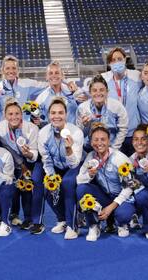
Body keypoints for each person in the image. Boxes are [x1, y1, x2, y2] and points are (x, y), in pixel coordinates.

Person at [76, 124, 136, 242]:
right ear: (91, 142)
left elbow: (130, 187)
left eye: (103, 139)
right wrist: (90, 175)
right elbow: (78, 180)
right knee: (82, 189)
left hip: (123, 198)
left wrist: (110, 207)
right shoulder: (91, 157)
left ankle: (122, 223)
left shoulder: (119, 158)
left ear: (109, 141)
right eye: (96, 140)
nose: (99, 143)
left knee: (122, 215)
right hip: (105, 196)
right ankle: (93, 225)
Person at [38, 97, 84, 239]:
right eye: (53, 113)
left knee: (68, 183)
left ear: (66, 115)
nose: (56, 116)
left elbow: (74, 164)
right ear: (48, 114)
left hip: (74, 165)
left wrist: (69, 149)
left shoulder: (76, 132)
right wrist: (51, 177)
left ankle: (72, 225)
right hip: (55, 166)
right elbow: (46, 159)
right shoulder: (43, 133)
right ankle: (62, 219)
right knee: (48, 185)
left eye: (60, 113)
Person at [0, 98, 41, 230]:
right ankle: (13, 215)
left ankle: (29, 219)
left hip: (32, 159)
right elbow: (7, 148)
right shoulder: (1, 128)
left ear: (22, 115)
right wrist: (21, 164)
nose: (14, 117)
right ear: (5, 115)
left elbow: (35, 153)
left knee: (27, 188)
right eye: (10, 114)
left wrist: (27, 155)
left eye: (17, 114)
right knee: (15, 187)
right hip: (15, 160)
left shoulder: (32, 128)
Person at [101, 47, 141, 156]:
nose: (117, 62)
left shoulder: (136, 76)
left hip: (133, 134)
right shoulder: (103, 78)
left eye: (119, 59)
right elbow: (89, 92)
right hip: (114, 134)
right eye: (113, 60)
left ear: (125, 60)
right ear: (109, 64)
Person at [0, 55, 48, 124]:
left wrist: (42, 118)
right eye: (7, 68)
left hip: (24, 131)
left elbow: (48, 86)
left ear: (18, 70)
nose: (11, 71)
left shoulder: (27, 84)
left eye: (14, 68)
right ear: (2, 70)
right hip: (5, 132)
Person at [76, 74, 128, 151]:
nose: (98, 93)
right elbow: (79, 134)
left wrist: (114, 149)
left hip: (112, 147)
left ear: (107, 92)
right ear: (90, 93)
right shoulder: (82, 108)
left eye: (101, 90)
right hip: (89, 148)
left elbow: (123, 129)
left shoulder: (117, 107)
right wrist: (86, 126)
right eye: (94, 90)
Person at [35, 61, 79, 127]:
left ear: (62, 75)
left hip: (73, 132)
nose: (54, 76)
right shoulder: (41, 98)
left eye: (57, 73)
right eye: (50, 73)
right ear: (46, 77)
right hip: (53, 134)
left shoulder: (72, 90)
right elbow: (38, 119)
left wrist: (76, 91)